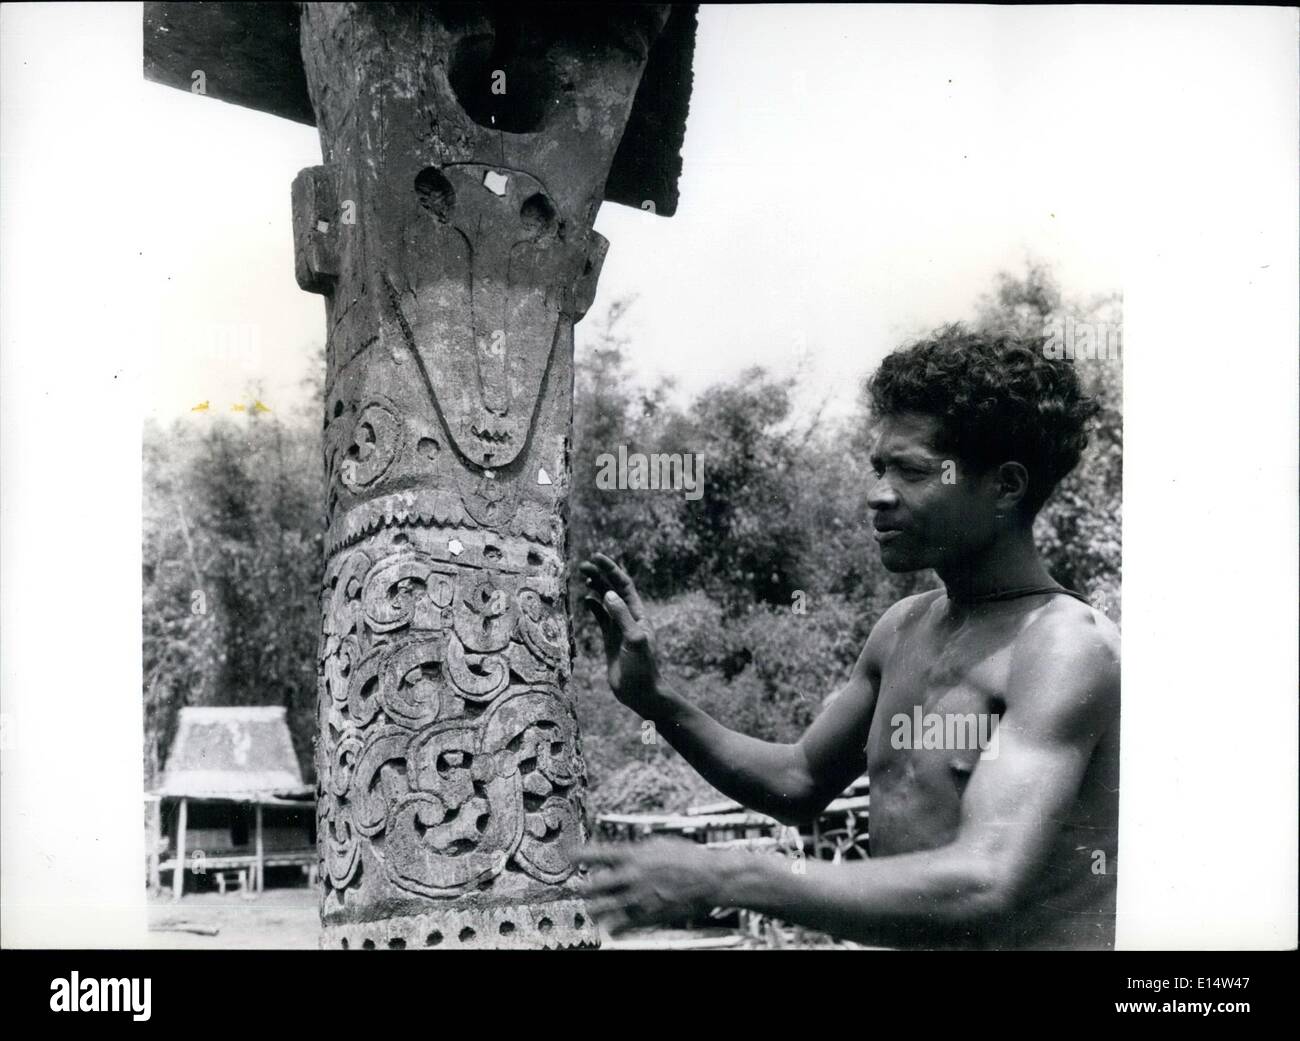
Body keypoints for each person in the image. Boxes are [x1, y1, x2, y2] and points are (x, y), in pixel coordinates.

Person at [575, 324, 1120, 950]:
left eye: (910, 472)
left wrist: (729, 873)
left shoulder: (1063, 646)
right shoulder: (903, 627)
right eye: (877, 467)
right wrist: (656, 700)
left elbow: (984, 881)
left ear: (1005, 486)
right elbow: (800, 782)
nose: (877, 495)